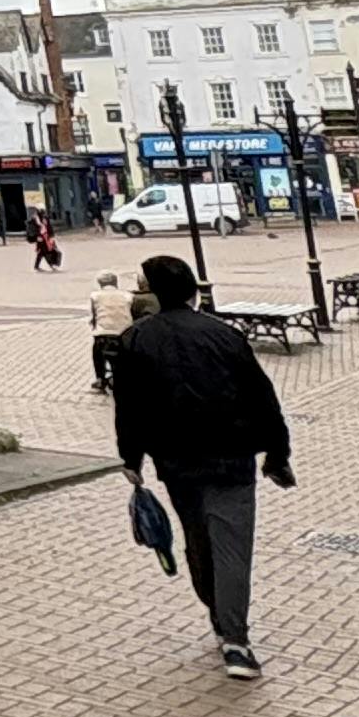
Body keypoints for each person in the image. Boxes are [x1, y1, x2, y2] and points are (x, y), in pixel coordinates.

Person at [111, 256, 294, 679]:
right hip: (231, 456)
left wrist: (131, 458)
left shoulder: (134, 341)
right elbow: (262, 397)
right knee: (232, 546)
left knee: (198, 540)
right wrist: (277, 452)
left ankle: (219, 616)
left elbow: (129, 408)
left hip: (175, 459)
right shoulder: (224, 335)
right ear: (193, 290)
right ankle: (235, 639)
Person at [89, 261, 140, 390]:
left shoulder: (95, 296)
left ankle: (100, 378)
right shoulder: (128, 296)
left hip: (103, 334)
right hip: (124, 333)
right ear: (115, 282)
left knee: (96, 352)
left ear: (100, 283)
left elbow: (94, 316)